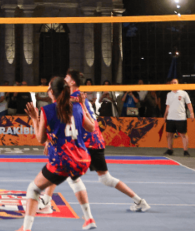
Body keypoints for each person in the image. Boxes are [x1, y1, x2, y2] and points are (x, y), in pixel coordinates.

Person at [39, 70, 150, 215]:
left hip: (88, 142)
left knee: (60, 167)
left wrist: (48, 140)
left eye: (66, 78)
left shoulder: (73, 98)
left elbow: (59, 120)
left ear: (72, 82)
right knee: (105, 179)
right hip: (92, 142)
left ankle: (49, 204)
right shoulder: (76, 97)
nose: (64, 79)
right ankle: (139, 201)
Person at [11, 77, 95, 231]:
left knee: (33, 189)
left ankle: (26, 229)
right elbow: (91, 127)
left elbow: (40, 139)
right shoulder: (77, 107)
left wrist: (35, 119)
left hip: (63, 160)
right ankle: (89, 218)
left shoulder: (47, 110)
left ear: (51, 92)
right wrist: (83, 105)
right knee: (75, 180)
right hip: (82, 159)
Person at [163, 78, 195, 156]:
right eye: (172, 82)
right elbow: (168, 106)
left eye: (175, 82)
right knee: (169, 135)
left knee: (183, 134)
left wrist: (192, 113)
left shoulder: (184, 93)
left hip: (181, 117)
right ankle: (170, 150)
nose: (174, 84)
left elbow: (189, 104)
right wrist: (165, 115)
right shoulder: (169, 94)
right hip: (170, 117)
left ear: (178, 83)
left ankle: (185, 151)